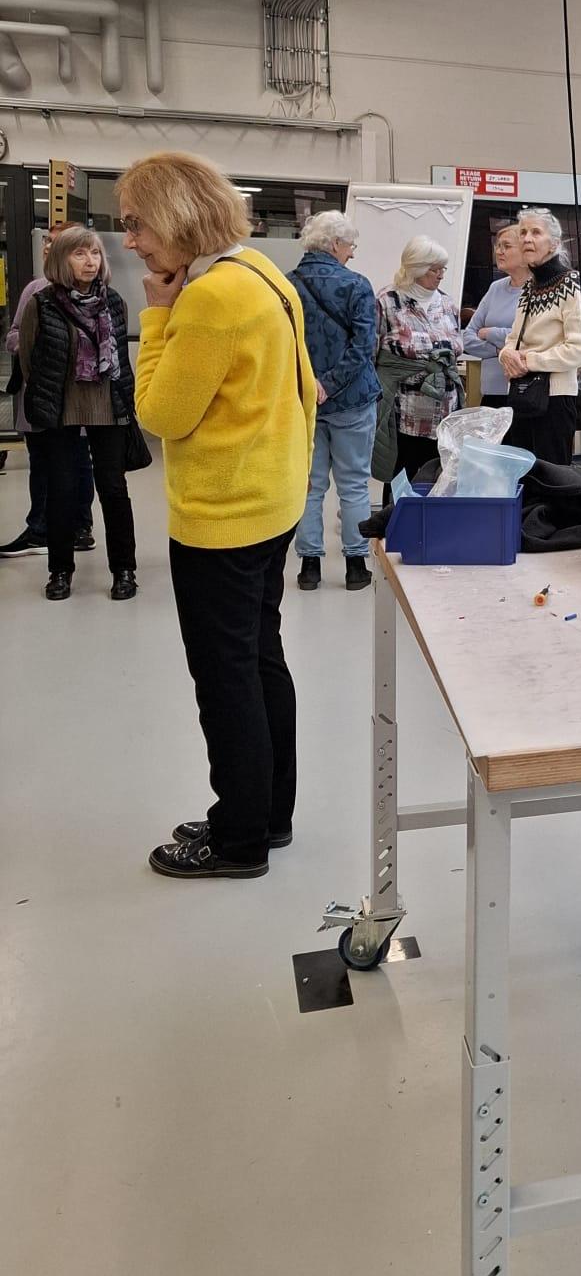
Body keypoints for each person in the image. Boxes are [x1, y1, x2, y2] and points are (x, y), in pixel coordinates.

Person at [120, 150, 316, 879]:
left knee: (225, 676)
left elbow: (160, 414)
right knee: (260, 659)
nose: (132, 242)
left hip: (221, 516)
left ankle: (238, 839)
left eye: (138, 224)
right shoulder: (262, 271)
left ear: (176, 217)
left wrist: (157, 316)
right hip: (272, 501)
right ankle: (268, 814)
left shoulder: (205, 300)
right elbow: (306, 387)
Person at [17, 225, 138, 602]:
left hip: (107, 406)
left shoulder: (113, 300)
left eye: (95, 253)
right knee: (62, 490)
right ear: (60, 259)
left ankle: (124, 569)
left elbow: (120, 355)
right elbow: (29, 359)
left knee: (113, 489)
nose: (90, 261)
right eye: (80, 253)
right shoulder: (42, 303)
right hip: (61, 408)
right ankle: (60, 571)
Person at [288, 210, 380, 592]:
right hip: (353, 401)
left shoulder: (285, 285)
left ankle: (309, 568)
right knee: (354, 484)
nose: (352, 253)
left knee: (309, 486)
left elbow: (281, 345)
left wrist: (313, 386)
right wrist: (331, 383)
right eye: (350, 245)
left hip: (303, 402)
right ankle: (356, 567)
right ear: (336, 244)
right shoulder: (357, 285)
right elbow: (364, 346)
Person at [2, 227, 97, 558]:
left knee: (80, 462)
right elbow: (14, 336)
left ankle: (80, 528)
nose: (47, 248)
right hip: (41, 395)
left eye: (57, 244)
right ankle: (40, 529)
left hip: (78, 400)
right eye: (48, 242)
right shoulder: (36, 290)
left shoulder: (97, 295)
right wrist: (36, 342)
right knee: (41, 463)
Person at [496, 207, 581, 466]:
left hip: (556, 400)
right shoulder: (530, 286)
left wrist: (527, 361)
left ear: (554, 244)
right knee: (522, 477)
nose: (527, 238)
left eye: (536, 232)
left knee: (551, 478)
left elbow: (580, 349)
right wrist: (506, 355)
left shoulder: (571, 283)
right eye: (523, 232)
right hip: (523, 396)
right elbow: (513, 338)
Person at [374, 236, 464, 486]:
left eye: (443, 268)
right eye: (435, 269)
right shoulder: (387, 301)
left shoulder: (447, 303)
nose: (441, 274)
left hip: (444, 409)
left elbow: (457, 345)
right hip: (404, 410)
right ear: (416, 268)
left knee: (436, 479)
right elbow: (372, 353)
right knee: (401, 477)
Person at [461, 223, 530, 410]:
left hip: (527, 391)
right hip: (491, 391)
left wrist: (490, 333)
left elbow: (530, 338)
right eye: (497, 246)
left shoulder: (539, 291)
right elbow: (468, 338)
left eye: (506, 246)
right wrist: (500, 352)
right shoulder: (496, 288)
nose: (499, 251)